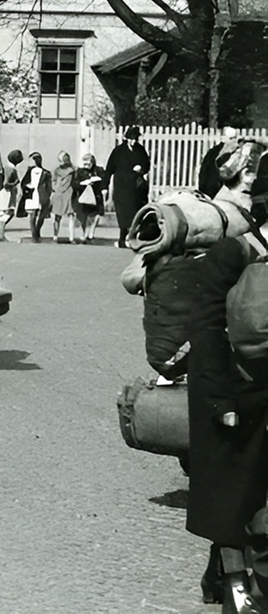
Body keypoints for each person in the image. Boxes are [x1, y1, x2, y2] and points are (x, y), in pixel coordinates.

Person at [183, 157, 268, 612]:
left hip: (259, 391)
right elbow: (206, 329)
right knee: (232, 498)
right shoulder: (230, 255)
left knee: (254, 497)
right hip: (229, 392)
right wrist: (220, 401)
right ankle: (235, 585)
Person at [105, 126, 152, 248]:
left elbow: (147, 165)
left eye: (135, 139)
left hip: (136, 187)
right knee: (123, 213)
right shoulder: (118, 151)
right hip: (121, 187)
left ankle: (131, 237)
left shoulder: (140, 150)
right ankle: (122, 238)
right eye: (131, 139)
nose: (133, 141)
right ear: (126, 139)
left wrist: (141, 168)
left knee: (135, 213)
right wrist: (104, 185)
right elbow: (109, 168)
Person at [215, 142, 264, 212]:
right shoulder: (236, 161)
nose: (250, 158)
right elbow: (223, 173)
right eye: (247, 155)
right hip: (235, 196)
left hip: (249, 199)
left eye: (255, 154)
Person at [70, 153, 107, 243]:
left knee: (97, 214)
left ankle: (91, 233)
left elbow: (105, 182)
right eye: (84, 164)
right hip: (85, 196)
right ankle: (84, 233)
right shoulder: (80, 171)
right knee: (84, 215)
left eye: (88, 164)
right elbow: (74, 183)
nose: (86, 166)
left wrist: (99, 183)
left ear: (93, 162)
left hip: (96, 195)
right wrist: (83, 183)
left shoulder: (99, 170)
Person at [20, 151, 52, 243]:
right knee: (32, 215)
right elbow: (23, 183)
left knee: (41, 215)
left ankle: (37, 231)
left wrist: (48, 196)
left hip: (42, 196)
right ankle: (34, 235)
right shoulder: (29, 172)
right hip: (31, 195)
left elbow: (49, 187)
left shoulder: (46, 173)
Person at [200, 127, 241, 198]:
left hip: (205, 189)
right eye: (232, 139)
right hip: (218, 191)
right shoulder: (229, 152)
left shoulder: (212, 151)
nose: (234, 141)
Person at [0, 149, 23, 243]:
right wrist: (14, 183)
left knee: (5, 213)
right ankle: (1, 234)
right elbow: (6, 183)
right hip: (8, 194)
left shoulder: (6, 168)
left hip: (3, 193)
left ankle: (0, 232)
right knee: (7, 213)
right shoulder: (11, 170)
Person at [49, 151, 76, 243]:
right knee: (61, 216)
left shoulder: (70, 170)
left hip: (65, 193)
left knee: (65, 216)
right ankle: (60, 236)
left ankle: (60, 236)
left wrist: (56, 188)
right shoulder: (69, 170)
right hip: (64, 193)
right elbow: (53, 181)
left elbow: (53, 181)